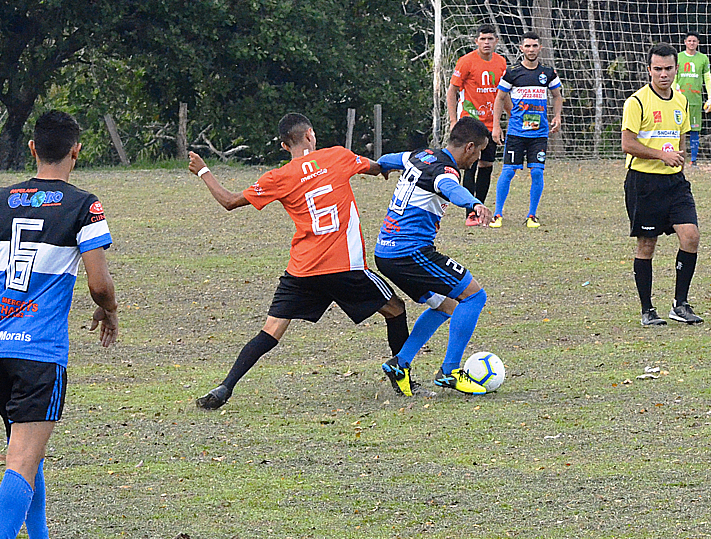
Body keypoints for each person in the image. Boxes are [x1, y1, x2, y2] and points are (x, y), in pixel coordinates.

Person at [0, 111, 119, 539]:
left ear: (31, 148)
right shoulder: (83, 206)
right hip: (40, 354)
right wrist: (109, 311)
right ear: (76, 151)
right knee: (23, 459)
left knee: (27, 447)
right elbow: (99, 283)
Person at [189, 113, 422, 409]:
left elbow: (229, 201)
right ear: (310, 134)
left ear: (285, 146)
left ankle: (225, 387)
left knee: (271, 330)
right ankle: (403, 381)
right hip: (344, 266)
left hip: (303, 269)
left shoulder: (278, 178)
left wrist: (203, 171)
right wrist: (390, 167)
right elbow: (377, 167)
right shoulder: (338, 156)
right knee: (395, 309)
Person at [375, 117, 494, 395]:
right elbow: (449, 187)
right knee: (474, 296)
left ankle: (400, 363)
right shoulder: (446, 171)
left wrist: (379, 167)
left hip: (386, 252)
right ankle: (449, 372)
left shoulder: (419, 155)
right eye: (478, 153)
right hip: (410, 252)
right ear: (469, 147)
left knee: (447, 305)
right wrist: (474, 203)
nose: (477, 160)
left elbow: (390, 159)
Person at [621, 44, 704, 326]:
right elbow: (627, 144)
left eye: (668, 68)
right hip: (644, 182)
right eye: (658, 69)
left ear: (676, 69)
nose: (663, 74)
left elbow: (682, 135)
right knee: (647, 245)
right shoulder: (637, 102)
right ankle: (647, 310)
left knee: (691, 236)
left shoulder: (680, 100)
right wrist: (661, 155)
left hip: (675, 182)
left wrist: (678, 156)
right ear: (649, 70)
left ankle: (680, 304)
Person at [489, 31, 563, 229]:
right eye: (527, 46)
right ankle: (497, 214)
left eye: (534, 46)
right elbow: (499, 98)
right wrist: (496, 125)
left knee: (537, 172)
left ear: (540, 48)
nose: (531, 50)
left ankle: (532, 215)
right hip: (516, 132)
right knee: (508, 171)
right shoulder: (512, 72)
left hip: (539, 133)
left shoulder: (548, 72)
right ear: (521, 48)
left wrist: (557, 116)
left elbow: (557, 96)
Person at [446, 24, 507, 227]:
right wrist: (454, 121)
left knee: (487, 167)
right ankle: (470, 213)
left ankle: (480, 209)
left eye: (490, 39)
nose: (487, 43)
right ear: (476, 41)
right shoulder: (466, 61)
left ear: (496, 41)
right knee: (469, 166)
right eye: (483, 39)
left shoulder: (501, 63)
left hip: (492, 125)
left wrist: (511, 117)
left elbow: (502, 94)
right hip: (471, 124)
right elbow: (452, 91)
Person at [674, 32, 711, 166]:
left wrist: (710, 97)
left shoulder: (703, 58)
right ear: (685, 42)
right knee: (677, 130)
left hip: (696, 100)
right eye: (689, 41)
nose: (692, 43)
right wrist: (674, 91)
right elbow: (674, 77)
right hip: (679, 101)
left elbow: (707, 78)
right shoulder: (678, 57)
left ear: (698, 43)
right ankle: (676, 158)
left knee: (694, 131)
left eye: (694, 41)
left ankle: (693, 160)